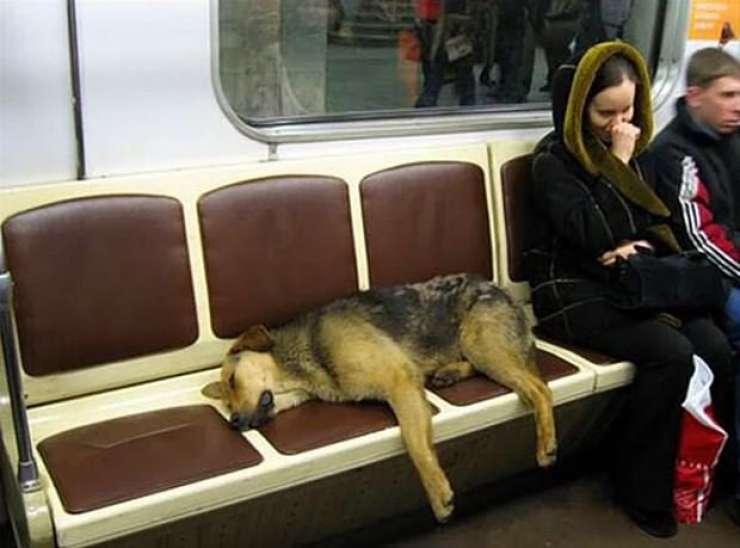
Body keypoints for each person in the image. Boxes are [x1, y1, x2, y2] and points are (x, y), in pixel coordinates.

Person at [526, 41, 734, 537]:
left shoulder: (636, 153)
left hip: (629, 278)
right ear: (578, 108)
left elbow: (653, 224)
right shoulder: (552, 161)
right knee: (671, 353)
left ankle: (702, 474)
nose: (621, 125)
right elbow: (594, 233)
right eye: (606, 113)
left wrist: (633, 244)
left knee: (712, 343)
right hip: (569, 291)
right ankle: (638, 487)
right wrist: (617, 166)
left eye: (628, 111)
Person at [648, 46, 740, 526]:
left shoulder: (732, 139)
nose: (737, 106)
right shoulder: (674, 153)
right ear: (695, 95)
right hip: (705, 277)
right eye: (727, 96)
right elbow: (699, 237)